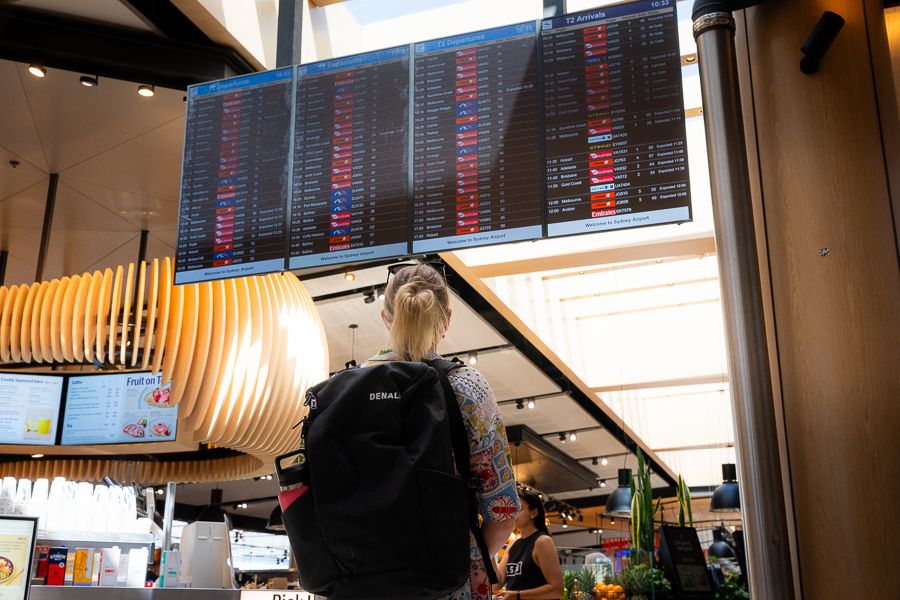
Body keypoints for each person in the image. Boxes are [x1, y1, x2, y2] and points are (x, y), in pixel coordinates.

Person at [362, 262, 519, 600]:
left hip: (361, 580)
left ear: (384, 316)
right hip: (449, 585)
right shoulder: (468, 389)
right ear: (446, 319)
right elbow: (503, 511)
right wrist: (466, 564)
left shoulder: (343, 390)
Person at [494, 491, 564, 600]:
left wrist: (517, 595)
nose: (513, 514)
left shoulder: (542, 542)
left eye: (519, 509)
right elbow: (496, 584)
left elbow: (557, 590)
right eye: (512, 509)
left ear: (534, 512)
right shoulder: (513, 544)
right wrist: (490, 552)